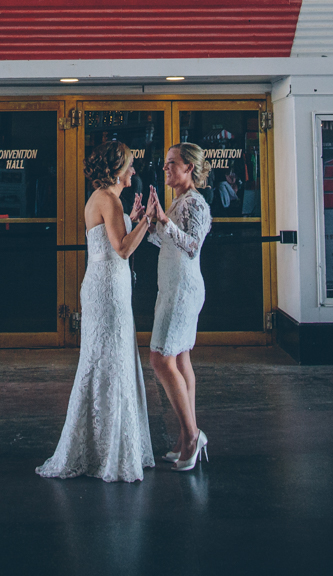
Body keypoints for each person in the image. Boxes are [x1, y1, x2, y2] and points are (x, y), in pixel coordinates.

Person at [36, 141, 156, 482]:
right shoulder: (109, 199)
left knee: (105, 360)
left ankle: (100, 443)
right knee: (112, 362)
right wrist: (146, 220)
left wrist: (131, 220)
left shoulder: (103, 199)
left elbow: (111, 238)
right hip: (108, 291)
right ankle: (110, 451)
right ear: (118, 170)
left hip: (103, 286)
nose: (134, 170)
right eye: (131, 165)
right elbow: (121, 249)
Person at [147, 142, 213, 472]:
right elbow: (163, 240)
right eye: (165, 163)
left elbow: (191, 246)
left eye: (172, 163)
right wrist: (150, 219)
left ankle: (191, 435)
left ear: (189, 168)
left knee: (160, 359)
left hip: (182, 292)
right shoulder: (179, 202)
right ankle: (185, 435)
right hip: (171, 287)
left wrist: (164, 221)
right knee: (181, 357)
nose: (166, 168)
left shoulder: (195, 204)